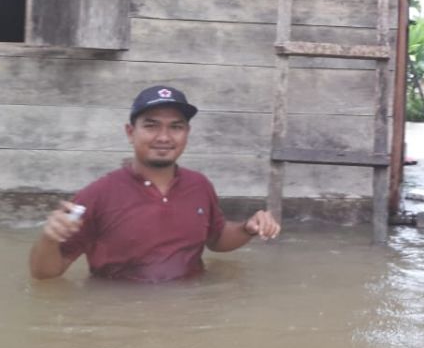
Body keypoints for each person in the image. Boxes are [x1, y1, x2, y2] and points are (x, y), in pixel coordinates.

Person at [29, 85, 280, 281]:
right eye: (151, 126)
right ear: (130, 132)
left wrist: (248, 228)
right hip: (121, 316)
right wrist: (49, 239)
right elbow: (46, 274)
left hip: (190, 313)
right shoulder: (98, 195)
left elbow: (216, 240)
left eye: (176, 127)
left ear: (186, 134)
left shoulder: (199, 185)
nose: (164, 137)